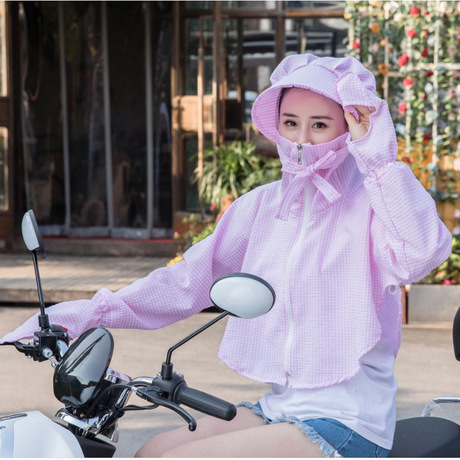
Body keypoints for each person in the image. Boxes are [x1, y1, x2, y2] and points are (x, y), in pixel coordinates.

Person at [1, 54, 451, 458]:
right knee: (152, 452)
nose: (301, 139)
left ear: (349, 130)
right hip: (280, 407)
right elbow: (185, 282)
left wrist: (378, 160)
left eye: (320, 125)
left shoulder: (374, 205)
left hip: (349, 421)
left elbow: (422, 252)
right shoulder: (262, 207)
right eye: (291, 123)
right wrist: (83, 314)